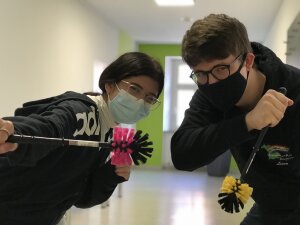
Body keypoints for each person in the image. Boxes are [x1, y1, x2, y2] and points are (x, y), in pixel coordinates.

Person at [0, 51, 164, 225]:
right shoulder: (82, 112)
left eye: (150, 98)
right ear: (110, 85)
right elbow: (51, 126)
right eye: (134, 89)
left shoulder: (108, 130)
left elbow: (81, 198)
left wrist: (111, 175)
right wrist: (15, 133)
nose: (140, 101)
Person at [171, 13, 300, 225]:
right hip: (267, 206)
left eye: (221, 69)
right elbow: (183, 155)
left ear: (248, 61)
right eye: (200, 74)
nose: (210, 82)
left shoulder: (295, 91)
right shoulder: (207, 94)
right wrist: (248, 122)